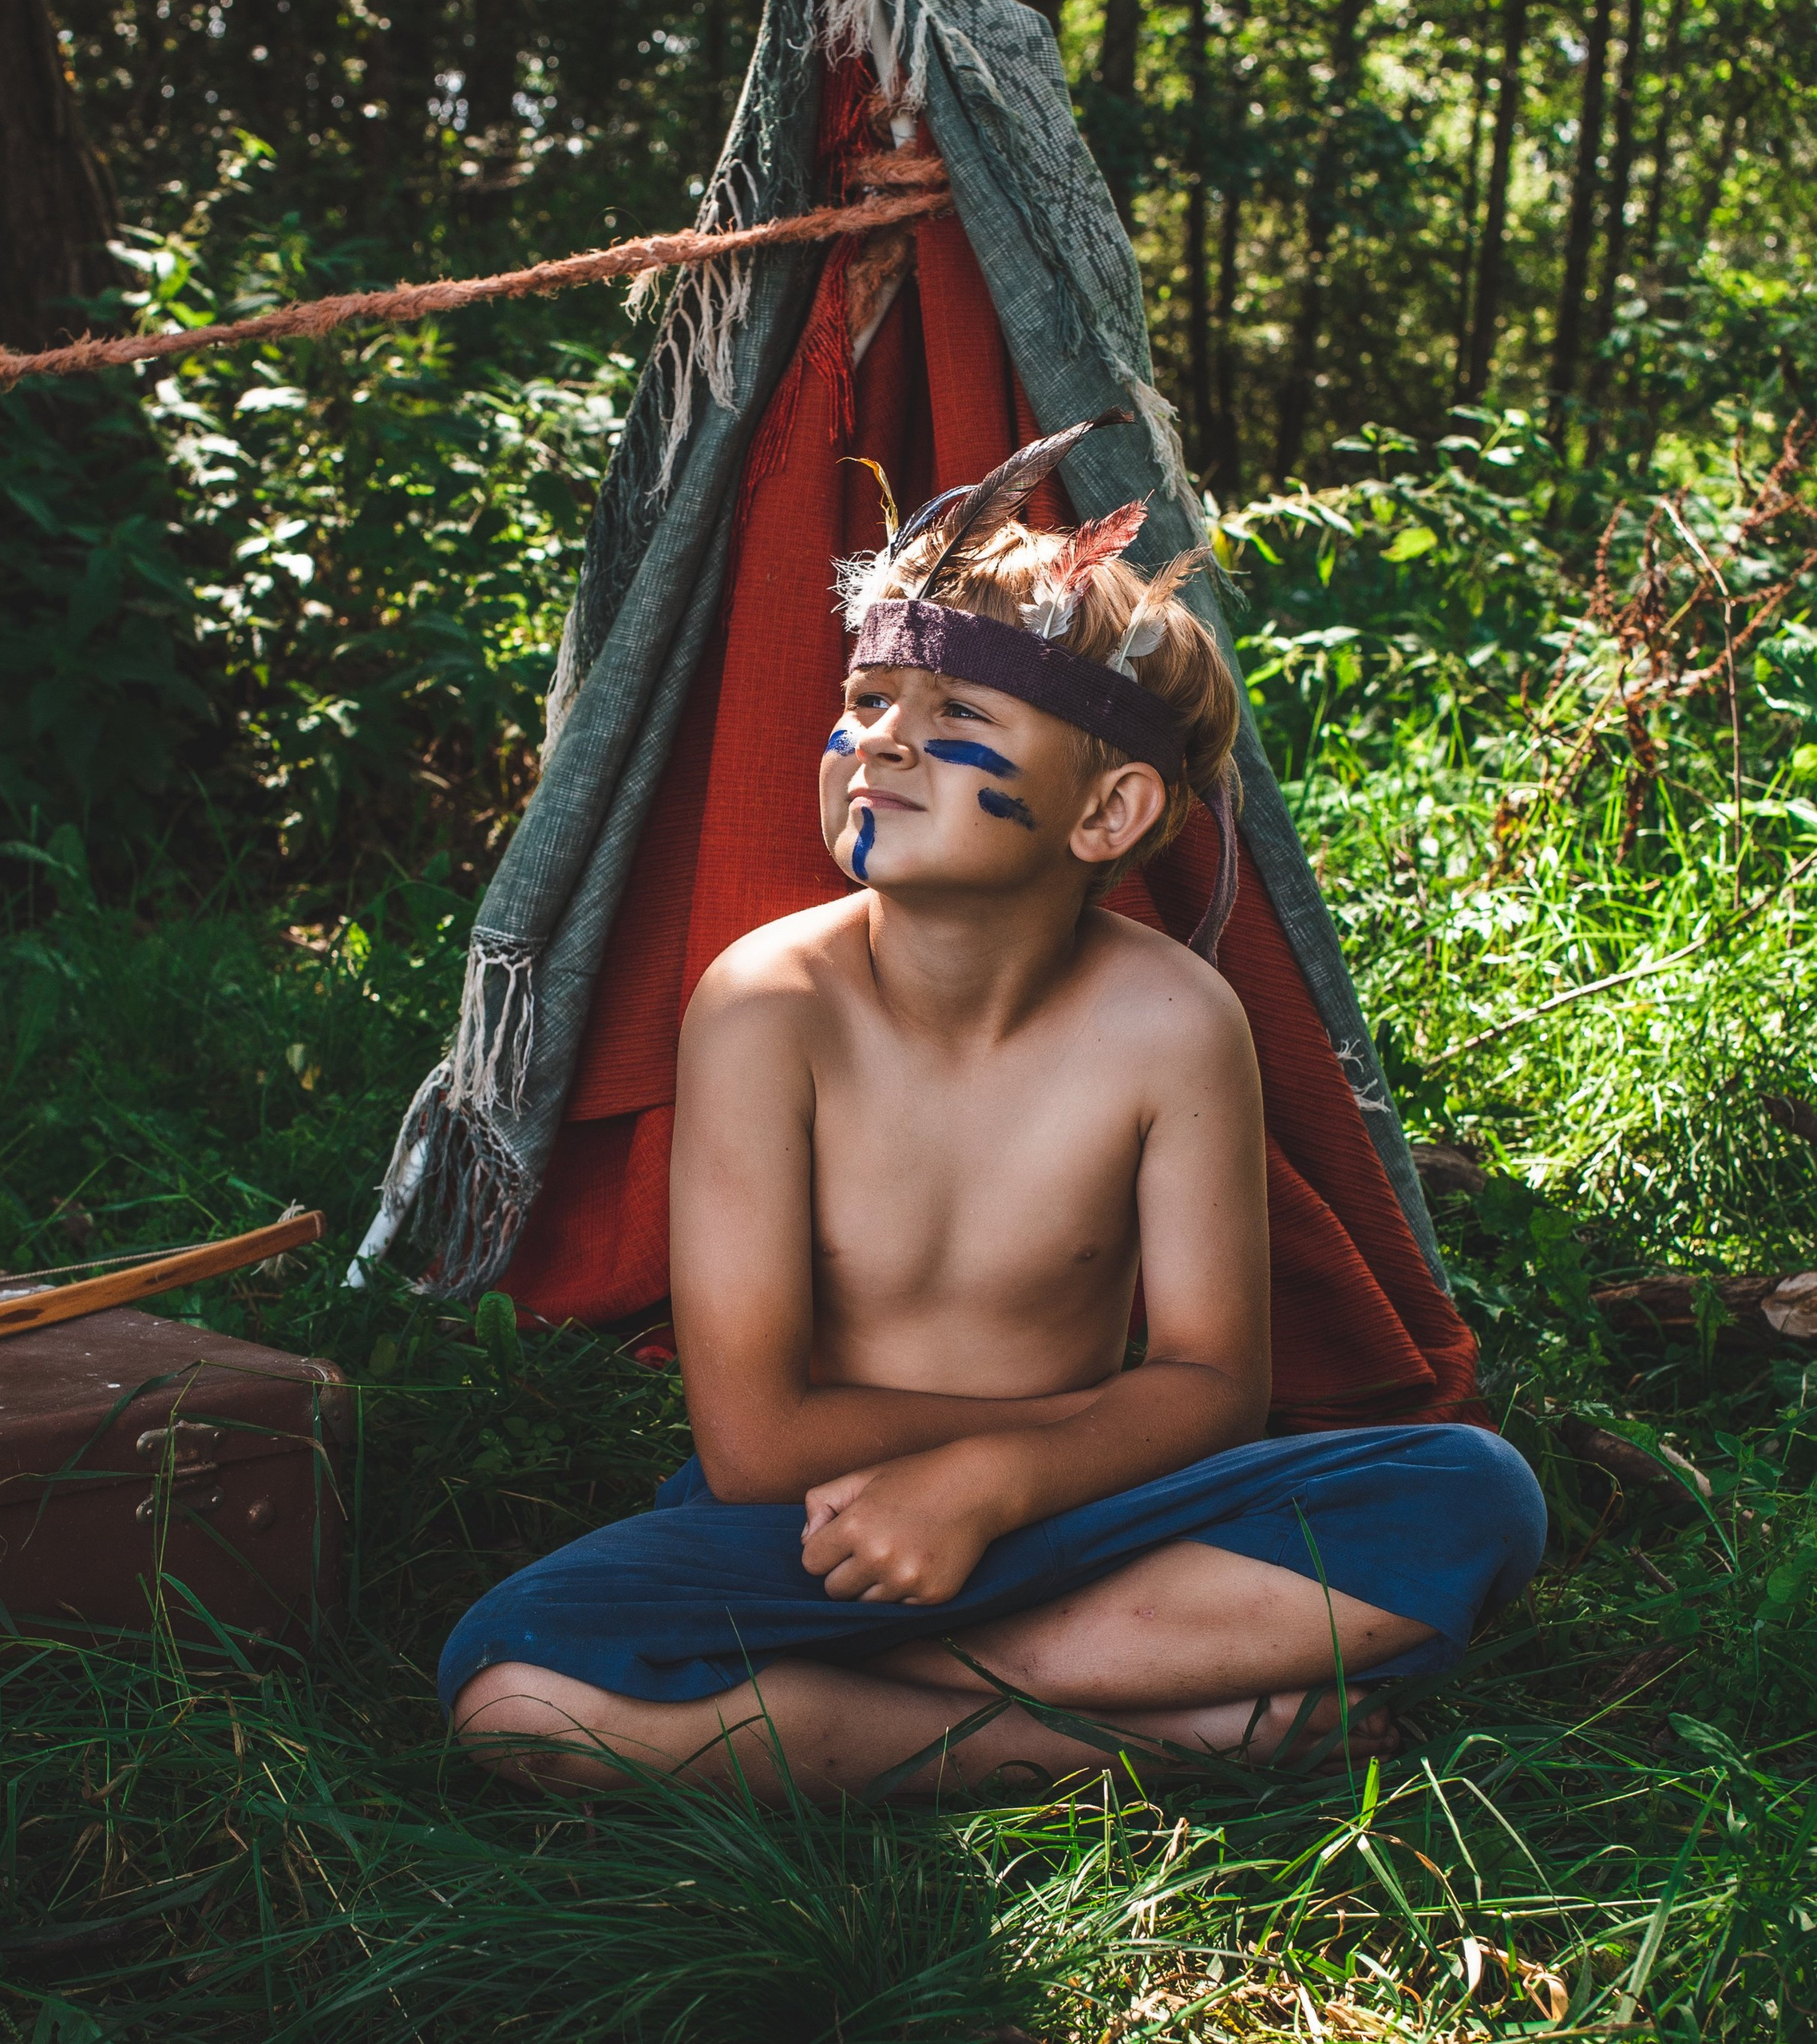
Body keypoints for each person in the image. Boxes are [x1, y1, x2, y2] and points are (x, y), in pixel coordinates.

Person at [443, 423, 1546, 1802]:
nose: (880, 741)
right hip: (820, 1534)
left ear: (1110, 810)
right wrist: (959, 1484)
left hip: (1087, 1508)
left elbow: (1218, 1384)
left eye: (956, 717)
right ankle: (1127, 1737)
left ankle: (936, 1680)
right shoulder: (765, 1006)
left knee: (1475, 1493)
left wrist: (992, 1486)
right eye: (865, 699)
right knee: (516, 1689)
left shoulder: (1176, 1023)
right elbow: (755, 1442)